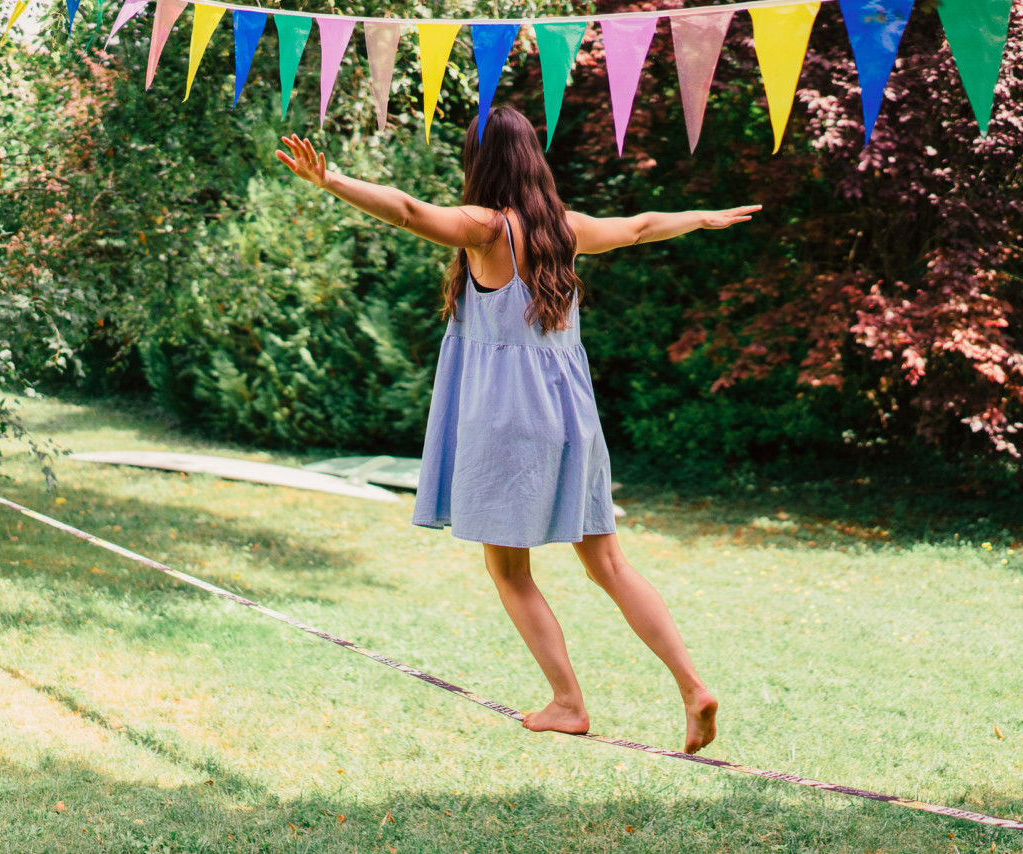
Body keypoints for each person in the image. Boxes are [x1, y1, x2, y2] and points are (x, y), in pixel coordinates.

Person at [276, 106, 758, 755]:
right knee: (609, 564)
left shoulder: (486, 228)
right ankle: (693, 686)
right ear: (531, 157)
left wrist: (332, 180)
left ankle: (568, 703)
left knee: (508, 570)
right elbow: (642, 226)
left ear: (480, 162)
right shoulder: (566, 230)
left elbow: (410, 212)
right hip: (573, 419)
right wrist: (700, 217)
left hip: (508, 421)